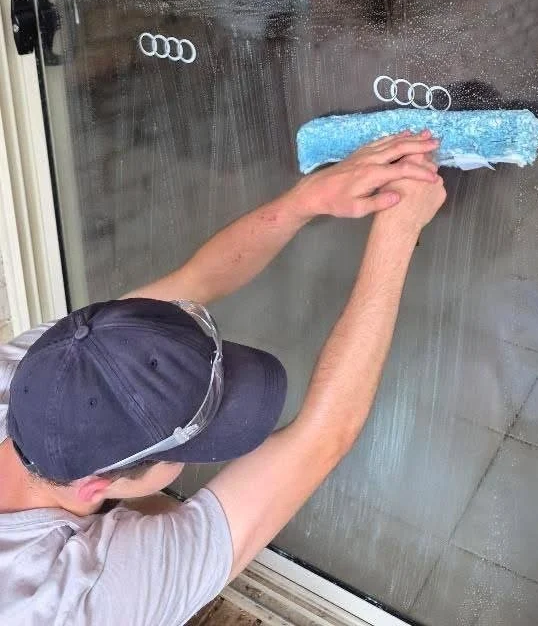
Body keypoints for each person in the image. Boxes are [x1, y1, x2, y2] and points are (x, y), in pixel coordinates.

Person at [0, 130, 445, 625]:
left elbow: (197, 282)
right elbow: (320, 438)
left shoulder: (36, 365)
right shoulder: (76, 598)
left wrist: (306, 200)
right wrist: (398, 231)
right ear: (93, 485)